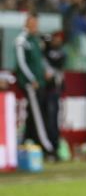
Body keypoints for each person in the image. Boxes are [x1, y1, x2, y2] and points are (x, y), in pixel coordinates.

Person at [15, 12, 57, 158]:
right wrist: (32, 79)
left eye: (36, 24)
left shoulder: (35, 40)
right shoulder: (22, 39)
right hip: (31, 84)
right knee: (38, 115)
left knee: (32, 116)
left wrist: (46, 71)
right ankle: (48, 148)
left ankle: (26, 144)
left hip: (40, 83)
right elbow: (21, 63)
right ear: (27, 23)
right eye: (33, 23)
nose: (35, 26)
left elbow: (40, 60)